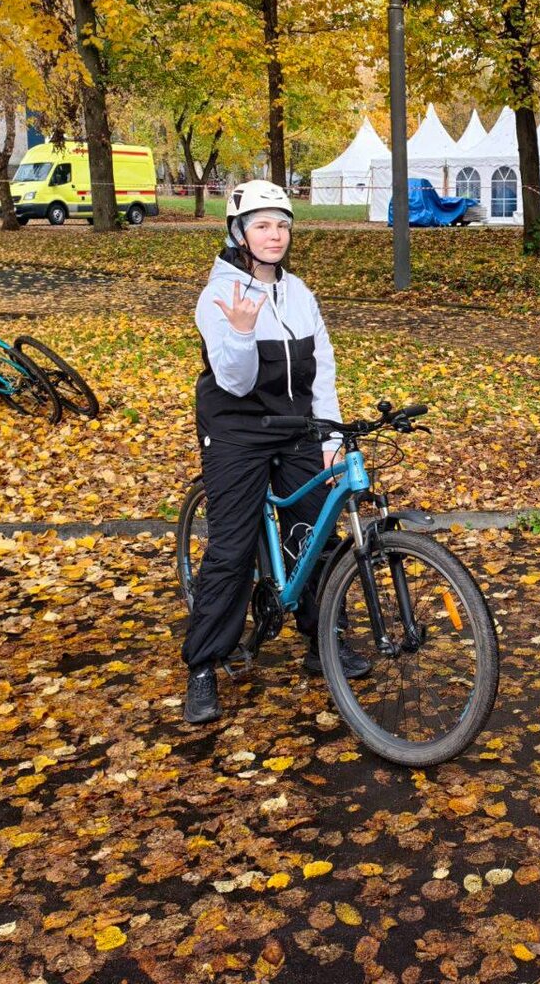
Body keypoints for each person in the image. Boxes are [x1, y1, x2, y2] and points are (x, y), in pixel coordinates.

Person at [182, 180, 370, 724]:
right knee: (233, 546)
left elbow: (322, 372)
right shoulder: (219, 295)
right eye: (263, 225)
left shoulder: (300, 293)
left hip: (295, 425)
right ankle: (204, 664)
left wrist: (331, 442)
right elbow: (235, 381)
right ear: (239, 233)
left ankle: (323, 641)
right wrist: (242, 332)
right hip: (236, 427)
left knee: (314, 532)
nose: (276, 235)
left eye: (283, 225)